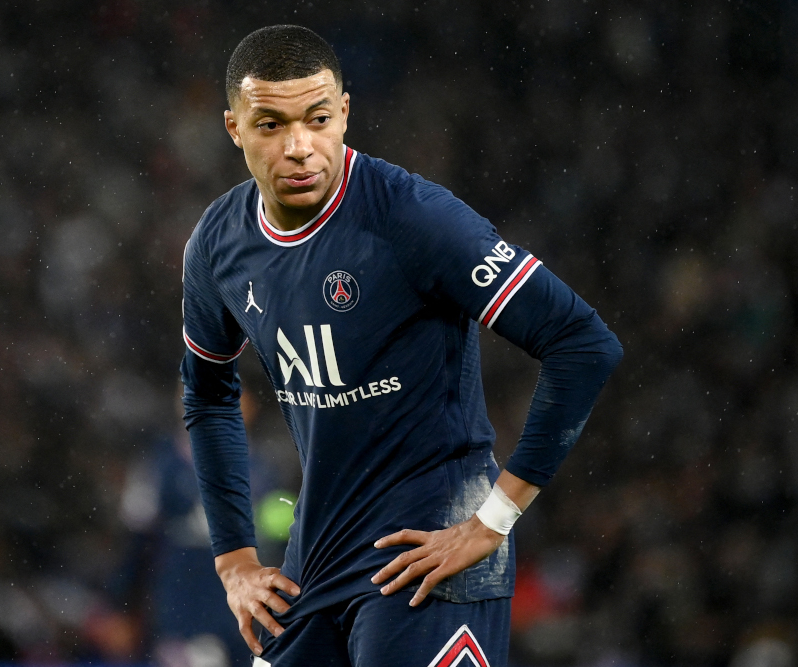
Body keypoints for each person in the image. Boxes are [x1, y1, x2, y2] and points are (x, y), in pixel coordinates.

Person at [180, 24, 622, 667]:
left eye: (318, 118)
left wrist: (493, 521)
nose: (301, 147)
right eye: (271, 124)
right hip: (316, 556)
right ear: (234, 129)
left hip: (430, 550)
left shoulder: (414, 216)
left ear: (345, 113)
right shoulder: (218, 242)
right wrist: (234, 560)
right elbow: (210, 395)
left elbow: (583, 343)